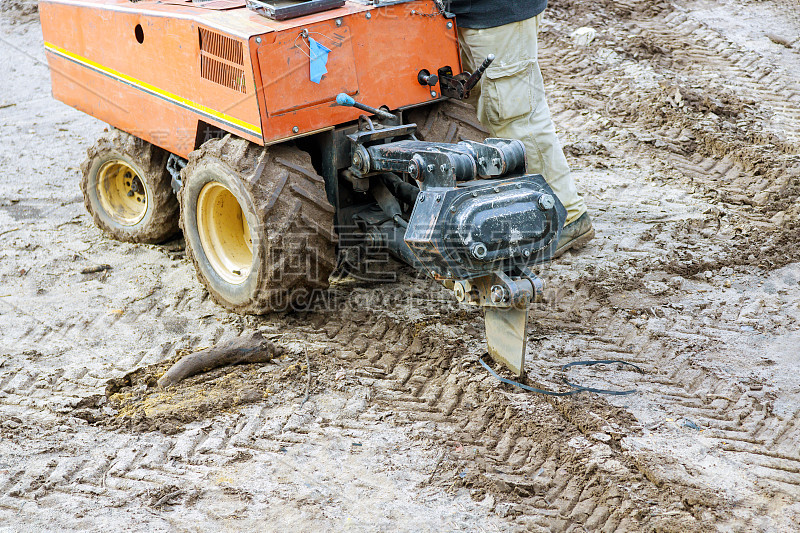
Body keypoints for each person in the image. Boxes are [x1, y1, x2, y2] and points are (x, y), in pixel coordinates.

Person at [446, 0, 594, 257]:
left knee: (518, 120)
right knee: (480, 112)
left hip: (498, 14)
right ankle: (518, 207)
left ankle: (566, 216)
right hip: (464, 14)